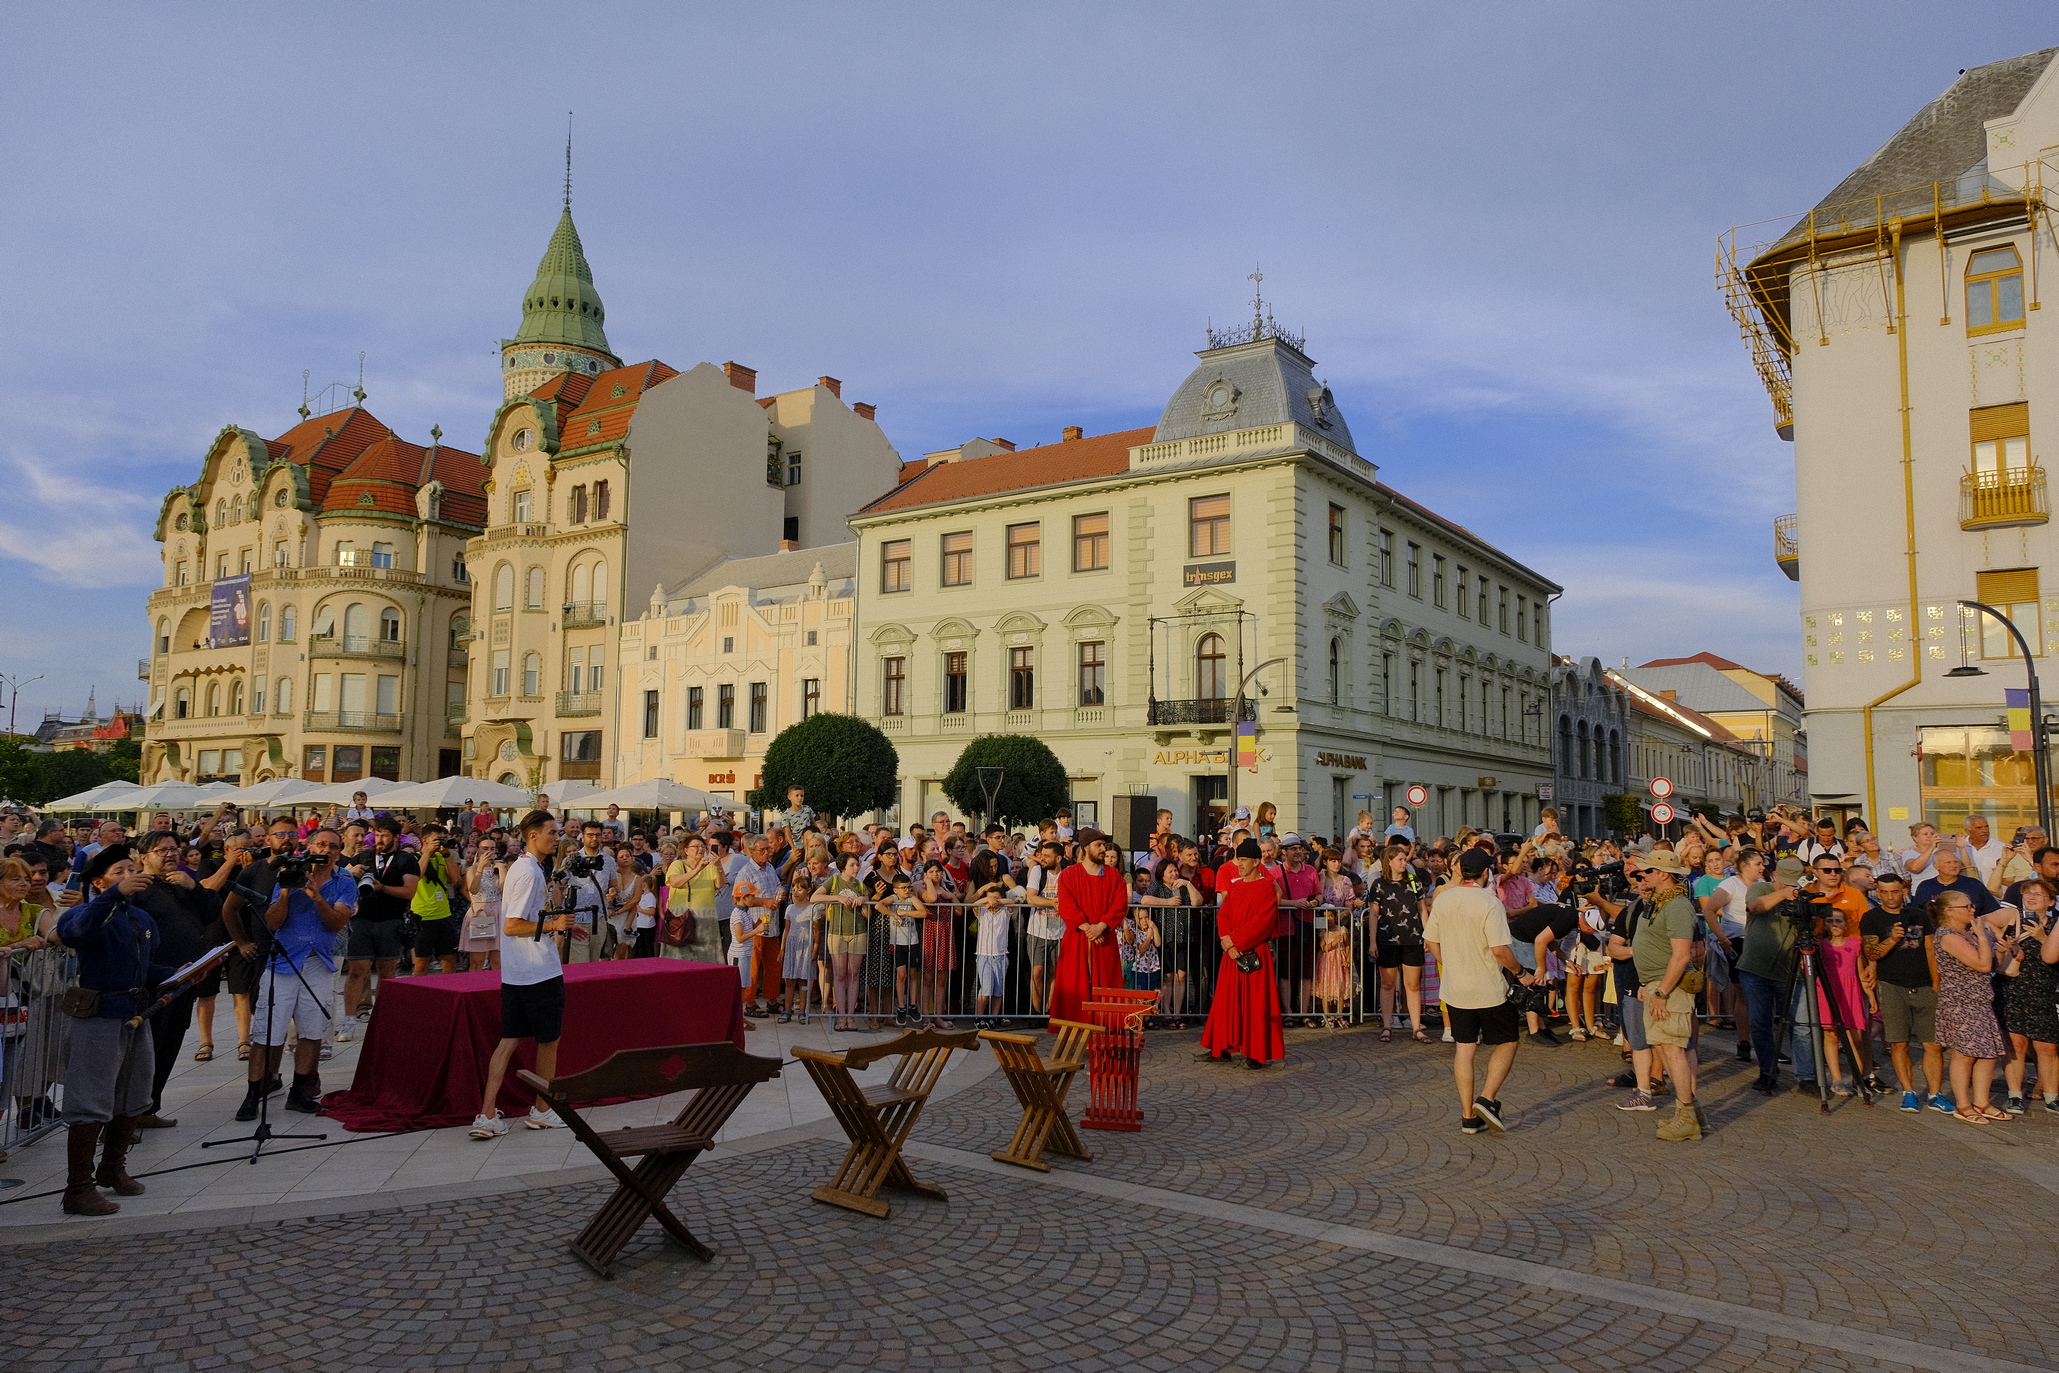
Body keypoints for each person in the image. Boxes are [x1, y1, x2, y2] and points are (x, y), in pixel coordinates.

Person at [57, 845, 181, 1215]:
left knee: (133, 1094)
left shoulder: (141, 918)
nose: (130, 875)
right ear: (99, 882)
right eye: (119, 872)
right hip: (98, 1016)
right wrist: (112, 896)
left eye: (132, 868)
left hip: (134, 1015)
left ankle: (112, 1168)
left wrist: (181, 972)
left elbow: (147, 968)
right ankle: (78, 1188)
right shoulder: (84, 912)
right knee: (89, 1100)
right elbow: (77, 932)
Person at [234, 828, 355, 1121]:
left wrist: (316, 897)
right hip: (283, 964)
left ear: (339, 852)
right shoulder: (289, 874)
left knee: (312, 1031)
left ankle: (298, 1092)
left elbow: (337, 923)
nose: (326, 850)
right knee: (265, 1032)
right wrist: (287, 890)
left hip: (319, 963)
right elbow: (273, 922)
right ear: (309, 846)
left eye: (333, 846)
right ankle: (253, 1095)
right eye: (321, 844)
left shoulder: (345, 883)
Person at [471, 811, 575, 1139]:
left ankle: (487, 1114)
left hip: (517, 972)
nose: (557, 838)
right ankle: (542, 1110)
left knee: (508, 1040)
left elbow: (527, 918)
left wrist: (553, 923)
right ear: (532, 836)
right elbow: (512, 924)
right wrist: (554, 925)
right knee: (549, 1041)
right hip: (537, 971)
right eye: (552, 832)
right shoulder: (528, 871)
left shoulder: (525, 867)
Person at [1423, 847, 1530, 1135]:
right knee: (1507, 1040)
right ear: (1486, 873)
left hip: (1456, 988)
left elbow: (1430, 941)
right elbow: (1499, 950)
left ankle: (1468, 1115)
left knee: (1464, 1049)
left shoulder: (1444, 900)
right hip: (1488, 987)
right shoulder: (1489, 902)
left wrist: (1451, 961)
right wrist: (1521, 973)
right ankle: (1487, 1097)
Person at [127, 831, 216, 1128]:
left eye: (173, 849)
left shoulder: (182, 885)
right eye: (161, 850)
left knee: (170, 1045)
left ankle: (149, 1108)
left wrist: (194, 888)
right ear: (143, 857)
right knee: (146, 1050)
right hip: (153, 981)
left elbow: (213, 914)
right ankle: (128, 1116)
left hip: (185, 979)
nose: (170, 854)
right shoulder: (138, 888)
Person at [1859, 871, 1946, 1113]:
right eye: (1884, 892)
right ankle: (1909, 1092)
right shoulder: (1871, 918)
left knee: (1933, 1045)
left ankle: (1935, 1093)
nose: (1890, 897)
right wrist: (1891, 938)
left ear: (1903, 891)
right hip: (1891, 986)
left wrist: (1936, 983)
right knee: (1899, 1043)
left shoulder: (1918, 915)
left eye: (1894, 891)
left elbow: (1930, 950)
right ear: (1878, 893)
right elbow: (1871, 954)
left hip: (1924, 985)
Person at [1198, 838, 1286, 1069]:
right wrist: (1228, 942)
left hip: (1254, 951)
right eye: (1238, 859)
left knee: (1255, 1005)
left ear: (1257, 862)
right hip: (1233, 952)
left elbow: (1263, 923)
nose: (1240, 864)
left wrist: (1234, 941)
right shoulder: (1235, 886)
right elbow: (1223, 915)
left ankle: (1255, 1053)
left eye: (1245, 860)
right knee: (1226, 1001)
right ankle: (1222, 1048)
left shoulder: (1267, 887)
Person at [1737, 857, 1817, 1094]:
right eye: (1787, 883)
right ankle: (1768, 1072)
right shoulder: (1761, 887)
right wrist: (1783, 895)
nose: (1792, 888)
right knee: (1761, 1024)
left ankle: (1807, 1076)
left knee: (1801, 1026)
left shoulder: (1804, 895)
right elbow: (1755, 906)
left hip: (1792, 972)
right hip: (1755, 970)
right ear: (1777, 876)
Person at [1931, 888, 2009, 1124]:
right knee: (1965, 1054)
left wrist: (2003, 948)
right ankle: (1963, 1104)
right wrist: (1984, 938)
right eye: (1966, 907)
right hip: (1961, 1002)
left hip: (1981, 1000)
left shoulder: (1967, 933)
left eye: (1972, 906)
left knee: (1988, 1054)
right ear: (1949, 911)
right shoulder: (1948, 936)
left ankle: (1982, 1102)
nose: (1972, 910)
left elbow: (1993, 964)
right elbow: (1982, 965)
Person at [341, 817, 419, 1029]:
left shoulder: (406, 860)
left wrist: (381, 887)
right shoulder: (364, 856)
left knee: (387, 973)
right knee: (357, 970)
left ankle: (384, 1017)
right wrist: (349, 873)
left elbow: (409, 891)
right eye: (377, 834)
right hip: (362, 920)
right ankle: (349, 1019)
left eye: (384, 835)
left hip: (390, 921)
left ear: (396, 837)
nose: (379, 839)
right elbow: (339, 877)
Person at [1049, 829, 1126, 1026]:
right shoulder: (1069, 875)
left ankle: (1106, 1027)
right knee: (1075, 986)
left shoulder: (1113, 875)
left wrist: (1101, 926)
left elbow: (1120, 904)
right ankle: (1073, 1030)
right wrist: (1087, 928)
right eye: (1098, 845)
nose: (1103, 849)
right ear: (1086, 848)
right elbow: (1067, 904)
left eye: (1104, 845)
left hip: (1104, 938)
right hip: (1078, 938)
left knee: (1106, 985)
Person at [1996, 879, 2059, 1114]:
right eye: (2028, 894)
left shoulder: (2055, 926)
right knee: (2015, 1046)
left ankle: (2052, 1097)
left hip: (2044, 992)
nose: (2031, 898)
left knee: (2047, 1047)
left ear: (2051, 902)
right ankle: (2015, 1095)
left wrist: (2044, 938)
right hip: (2013, 989)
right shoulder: (2013, 923)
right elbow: (1995, 954)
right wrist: (2005, 947)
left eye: (2038, 895)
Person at [1369, 845, 1430, 1042]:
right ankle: (1387, 1025)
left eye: (1405, 859)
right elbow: (1374, 913)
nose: (1404, 863)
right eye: (1400, 860)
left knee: (1412, 985)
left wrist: (1427, 934)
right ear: (1390, 861)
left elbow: (1422, 909)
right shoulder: (1379, 884)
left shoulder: (1413, 881)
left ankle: (1416, 1027)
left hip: (1412, 938)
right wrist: (1372, 941)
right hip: (1387, 939)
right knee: (1388, 983)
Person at [823, 852, 870, 1031]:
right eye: (852, 865)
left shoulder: (861, 885)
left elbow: (867, 909)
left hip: (858, 932)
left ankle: (850, 1016)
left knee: (853, 974)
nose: (856, 868)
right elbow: (815, 897)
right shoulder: (834, 882)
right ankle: (841, 1016)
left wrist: (864, 900)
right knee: (840, 974)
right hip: (837, 932)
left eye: (857, 864)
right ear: (843, 867)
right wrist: (837, 897)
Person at [663, 835, 724, 964]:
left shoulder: (710, 866)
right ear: (686, 850)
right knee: (679, 957)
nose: (700, 849)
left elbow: (719, 884)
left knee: (706, 957)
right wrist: (697, 869)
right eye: (696, 846)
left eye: (703, 846)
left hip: (705, 918)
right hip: (681, 918)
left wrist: (718, 866)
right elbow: (675, 882)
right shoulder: (677, 864)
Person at [408, 827, 460, 976]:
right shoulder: (414, 858)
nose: (440, 842)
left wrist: (447, 854)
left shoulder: (441, 857)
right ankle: (419, 995)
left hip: (444, 915)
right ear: (425, 840)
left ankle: (447, 995)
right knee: (421, 963)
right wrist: (427, 853)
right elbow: (416, 876)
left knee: (450, 960)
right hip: (422, 916)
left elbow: (456, 879)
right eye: (437, 839)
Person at [462, 838, 506, 973]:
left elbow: (505, 892)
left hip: (498, 910)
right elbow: (473, 889)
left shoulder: (498, 868)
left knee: (498, 961)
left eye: (492, 849)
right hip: (480, 911)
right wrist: (480, 867)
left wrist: (502, 870)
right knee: (477, 961)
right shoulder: (472, 869)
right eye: (485, 849)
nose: (489, 852)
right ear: (479, 850)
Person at [780, 872, 819, 1022]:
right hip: (791, 946)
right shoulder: (790, 908)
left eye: (800, 889)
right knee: (789, 980)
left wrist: (815, 949)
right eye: (794, 888)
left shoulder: (812, 909)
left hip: (806, 946)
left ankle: (802, 1010)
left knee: (803, 980)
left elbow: (816, 931)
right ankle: (787, 1009)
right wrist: (782, 948)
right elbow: (786, 929)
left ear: (808, 890)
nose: (795, 892)